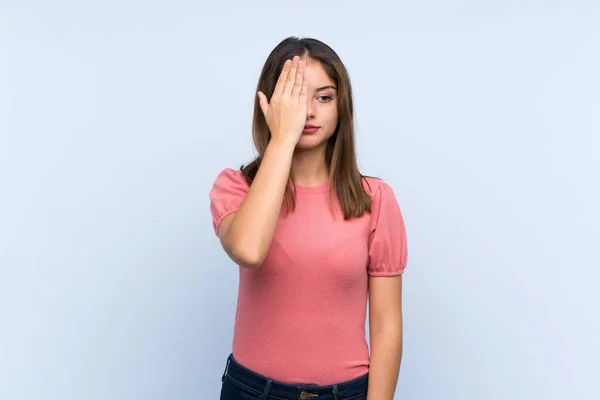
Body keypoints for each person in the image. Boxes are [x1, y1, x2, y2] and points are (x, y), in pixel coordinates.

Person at [209, 36, 408, 400]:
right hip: (251, 390)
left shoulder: (375, 200)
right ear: (270, 105)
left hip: (346, 394)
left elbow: (386, 326)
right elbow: (248, 249)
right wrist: (283, 138)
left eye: (324, 97)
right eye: (295, 97)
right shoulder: (235, 188)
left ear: (340, 106)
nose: (310, 113)